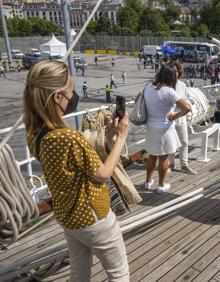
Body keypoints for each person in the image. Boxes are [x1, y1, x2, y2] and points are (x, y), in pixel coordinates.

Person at [23, 60, 129, 282]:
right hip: (93, 217)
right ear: (58, 97)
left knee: (79, 274)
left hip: (69, 218)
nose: (73, 98)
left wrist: (107, 135)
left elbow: (73, 163)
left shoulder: (35, 134)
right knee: (119, 274)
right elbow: (102, 174)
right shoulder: (68, 137)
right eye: (70, 92)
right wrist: (121, 137)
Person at [143, 63, 191, 193]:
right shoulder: (170, 92)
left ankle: (148, 182)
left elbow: (138, 99)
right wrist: (175, 116)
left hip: (150, 126)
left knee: (152, 155)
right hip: (164, 128)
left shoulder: (147, 87)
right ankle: (161, 185)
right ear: (172, 77)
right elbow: (187, 108)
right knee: (163, 157)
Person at [169, 61, 197, 175]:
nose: (175, 73)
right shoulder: (165, 85)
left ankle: (184, 165)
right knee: (170, 144)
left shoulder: (182, 85)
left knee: (184, 142)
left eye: (177, 71)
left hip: (181, 118)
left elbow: (184, 101)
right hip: (170, 119)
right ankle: (171, 164)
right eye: (173, 71)